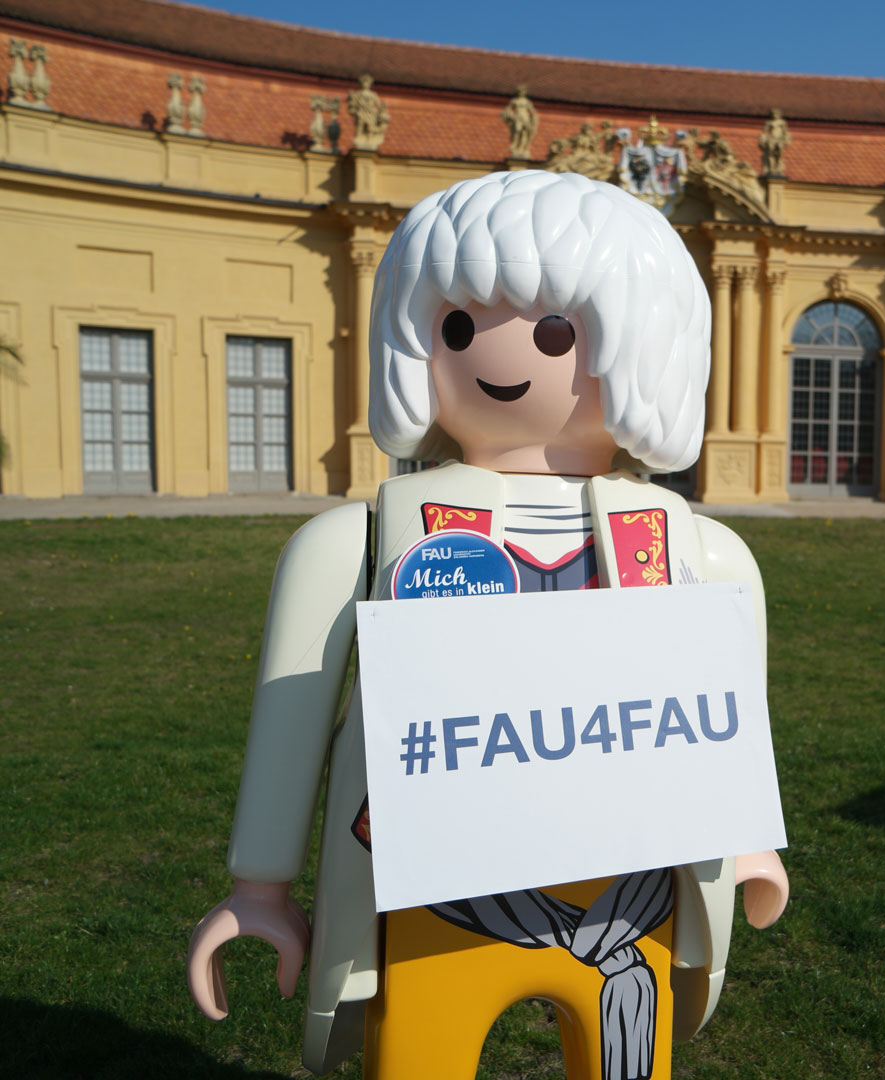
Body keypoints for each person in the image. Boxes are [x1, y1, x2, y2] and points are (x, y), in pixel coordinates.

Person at [186, 169, 788, 1080]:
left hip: (632, 889)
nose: (503, 356)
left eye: (556, 334)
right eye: (458, 328)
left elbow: (723, 722)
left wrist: (746, 842)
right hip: (435, 892)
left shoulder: (699, 552)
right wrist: (260, 885)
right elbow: (294, 712)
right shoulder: (360, 541)